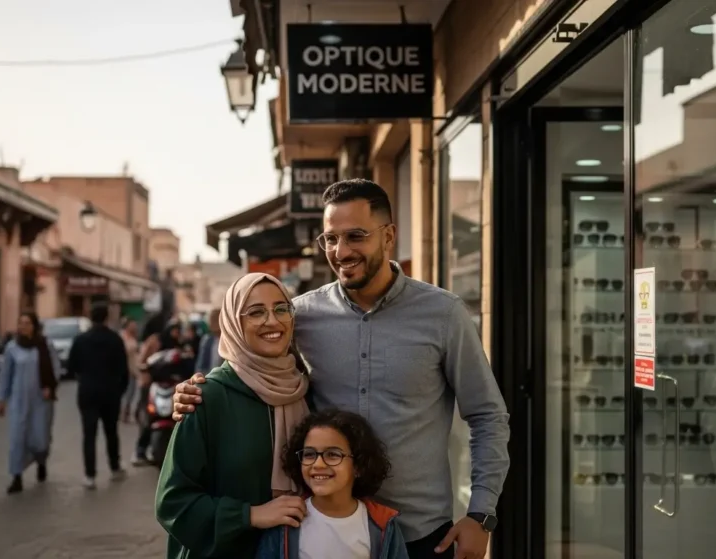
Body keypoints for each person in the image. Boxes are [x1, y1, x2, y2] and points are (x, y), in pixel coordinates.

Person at [173, 179, 511, 559]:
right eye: (330, 239)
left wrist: (480, 514)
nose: (341, 251)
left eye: (355, 236)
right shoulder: (300, 315)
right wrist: (197, 388)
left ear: (389, 236)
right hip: (322, 533)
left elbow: (488, 415)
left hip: (420, 535)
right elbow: (253, 368)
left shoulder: (444, 315)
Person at [155, 273, 310, 558]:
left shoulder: (305, 391)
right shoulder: (207, 397)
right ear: (233, 324)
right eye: (255, 312)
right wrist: (249, 515)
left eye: (281, 308)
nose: (272, 321)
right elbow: (173, 502)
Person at [255, 409, 408, 559]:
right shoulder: (287, 521)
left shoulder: (382, 525)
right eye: (309, 454)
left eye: (333, 455)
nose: (318, 464)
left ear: (358, 466)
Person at [0, 311, 61, 495]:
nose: (23, 326)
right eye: (20, 323)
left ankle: (41, 461)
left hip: (41, 401)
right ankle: (17, 477)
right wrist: (1, 399)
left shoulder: (45, 345)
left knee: (40, 439)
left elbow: (56, 368)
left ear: (34, 325)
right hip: (18, 401)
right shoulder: (12, 348)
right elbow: (5, 375)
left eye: (27, 323)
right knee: (18, 439)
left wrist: (50, 385)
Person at [67, 302, 130, 489]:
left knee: (89, 434)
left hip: (87, 392)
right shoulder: (115, 340)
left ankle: (90, 475)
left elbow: (72, 367)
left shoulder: (80, 340)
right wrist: (119, 391)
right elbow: (123, 369)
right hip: (110, 392)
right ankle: (115, 466)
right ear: (106, 318)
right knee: (111, 431)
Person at [134, 318, 182, 466]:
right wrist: (145, 370)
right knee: (148, 416)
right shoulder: (155, 341)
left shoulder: (179, 345)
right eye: (173, 329)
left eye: (177, 330)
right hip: (153, 385)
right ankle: (140, 450)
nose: (175, 333)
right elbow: (142, 362)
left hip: (173, 387)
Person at [120, 317, 140, 423]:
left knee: (131, 392)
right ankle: (124, 412)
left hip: (133, 369)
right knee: (127, 392)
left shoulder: (133, 338)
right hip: (124, 369)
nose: (134, 327)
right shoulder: (122, 337)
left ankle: (126, 412)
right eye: (132, 325)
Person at [194, 308, 222, 374]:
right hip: (208, 378)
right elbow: (200, 365)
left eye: (214, 320)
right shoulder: (207, 340)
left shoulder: (230, 341)